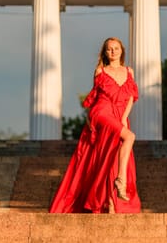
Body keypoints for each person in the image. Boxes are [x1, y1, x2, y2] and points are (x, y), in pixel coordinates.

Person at [49, 37, 141, 213]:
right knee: (130, 136)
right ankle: (121, 181)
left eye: (116, 48)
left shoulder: (129, 71)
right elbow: (95, 98)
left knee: (111, 157)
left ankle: (111, 203)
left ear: (122, 51)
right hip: (102, 112)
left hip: (120, 115)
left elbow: (131, 97)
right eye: (109, 49)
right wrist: (90, 119)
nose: (113, 51)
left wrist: (124, 118)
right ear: (105, 53)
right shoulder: (100, 71)